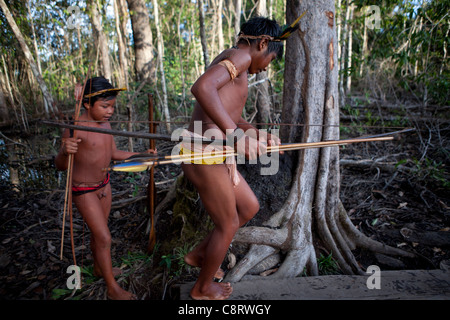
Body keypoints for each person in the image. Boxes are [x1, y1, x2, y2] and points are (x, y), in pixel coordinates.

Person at [180, 16, 284, 300]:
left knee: (249, 207)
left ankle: (201, 254)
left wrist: (257, 134)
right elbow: (202, 88)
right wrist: (237, 138)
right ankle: (202, 288)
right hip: (203, 153)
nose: (268, 66)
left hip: (217, 153)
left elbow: (233, 116)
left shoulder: (238, 65)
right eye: (271, 59)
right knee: (228, 224)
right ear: (263, 43)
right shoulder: (239, 57)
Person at [55, 77, 156, 300]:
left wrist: (141, 156)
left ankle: (100, 269)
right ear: (87, 103)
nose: (110, 111)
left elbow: (113, 154)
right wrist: (64, 151)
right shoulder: (75, 128)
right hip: (84, 190)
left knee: (98, 233)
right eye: (104, 106)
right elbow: (60, 166)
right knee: (104, 237)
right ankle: (112, 289)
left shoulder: (106, 125)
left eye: (112, 106)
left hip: (104, 185)